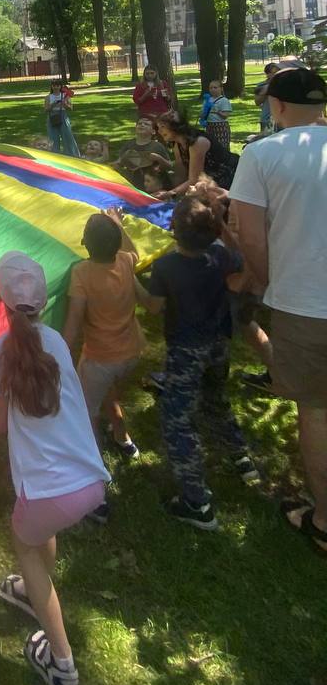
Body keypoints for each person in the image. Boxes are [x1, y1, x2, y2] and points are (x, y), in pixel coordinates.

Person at [0, 253, 109, 685]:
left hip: (48, 492)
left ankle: (62, 666)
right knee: (40, 534)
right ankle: (32, 588)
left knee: (24, 542)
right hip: (90, 480)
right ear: (44, 303)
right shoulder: (58, 344)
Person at [229, 67, 327, 555]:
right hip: (303, 298)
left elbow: (248, 235)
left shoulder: (261, 154)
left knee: (317, 408)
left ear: (278, 106)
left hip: (303, 303)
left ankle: (324, 520)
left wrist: (267, 280)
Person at [143, 194, 257, 530]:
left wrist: (125, 275)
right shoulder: (220, 256)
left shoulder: (166, 267)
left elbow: (152, 307)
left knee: (177, 420)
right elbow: (242, 262)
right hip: (218, 344)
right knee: (216, 400)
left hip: (186, 351)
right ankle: (241, 458)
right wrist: (222, 226)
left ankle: (196, 502)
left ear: (173, 229)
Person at [63, 212, 153, 523]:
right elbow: (134, 252)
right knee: (109, 390)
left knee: (85, 418)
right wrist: (119, 224)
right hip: (131, 353)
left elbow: (74, 323)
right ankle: (123, 438)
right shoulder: (126, 261)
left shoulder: (81, 273)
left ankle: (96, 493)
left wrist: (58, 355)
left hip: (100, 360)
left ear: (85, 243)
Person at [156, 109, 238, 193]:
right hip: (212, 183)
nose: (159, 131)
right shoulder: (177, 145)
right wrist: (161, 188)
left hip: (233, 178)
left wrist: (170, 193)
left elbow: (194, 180)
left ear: (175, 126)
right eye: (158, 128)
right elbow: (181, 176)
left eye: (162, 126)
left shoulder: (197, 143)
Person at [116, 117, 173, 189]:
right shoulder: (129, 144)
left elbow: (169, 166)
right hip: (131, 183)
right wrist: (122, 160)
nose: (142, 125)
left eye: (146, 124)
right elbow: (118, 164)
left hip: (151, 186)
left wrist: (158, 158)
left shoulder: (157, 146)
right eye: (139, 123)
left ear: (153, 131)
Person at [44, 79, 79, 157]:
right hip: (52, 117)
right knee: (53, 138)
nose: (56, 87)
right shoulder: (48, 97)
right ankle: (54, 155)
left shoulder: (65, 95)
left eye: (58, 85)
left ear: (60, 86)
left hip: (63, 116)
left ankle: (72, 155)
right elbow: (46, 110)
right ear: (51, 87)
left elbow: (70, 108)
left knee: (67, 136)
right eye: (54, 85)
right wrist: (52, 105)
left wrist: (64, 104)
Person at [204, 79, 233, 149]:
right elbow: (204, 113)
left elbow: (225, 115)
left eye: (215, 87)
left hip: (220, 126)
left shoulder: (224, 100)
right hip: (210, 125)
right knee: (211, 146)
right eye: (211, 88)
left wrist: (217, 111)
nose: (213, 89)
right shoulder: (208, 100)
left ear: (221, 89)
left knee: (222, 146)